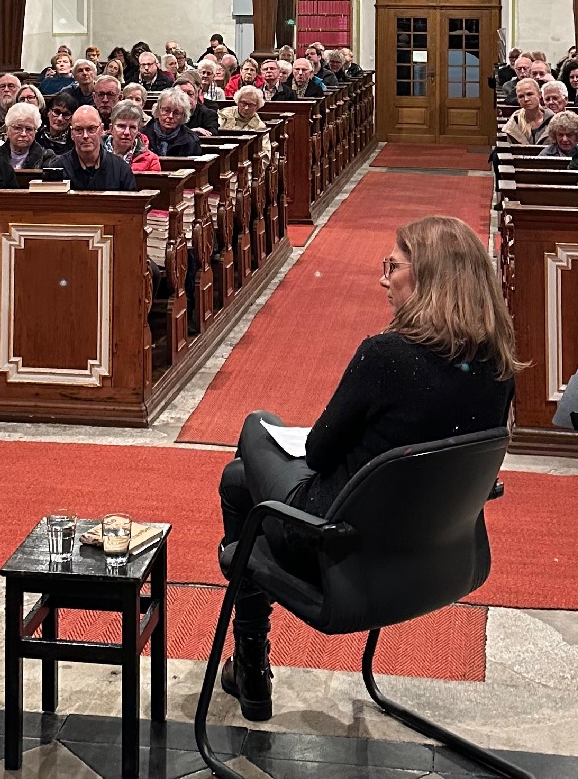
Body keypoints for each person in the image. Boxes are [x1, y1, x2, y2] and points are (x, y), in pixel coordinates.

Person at [214, 216, 516, 721]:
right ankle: (248, 659)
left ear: (427, 278)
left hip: (333, 548)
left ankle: (251, 656)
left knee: (254, 429)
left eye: (391, 267)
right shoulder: (497, 363)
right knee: (239, 482)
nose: (382, 279)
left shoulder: (386, 357)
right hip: (432, 553)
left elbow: (318, 454)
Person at [44, 106, 138, 190]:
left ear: (101, 130)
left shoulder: (121, 169)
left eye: (91, 129)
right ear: (72, 134)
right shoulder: (57, 168)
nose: (85, 136)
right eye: (79, 130)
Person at [144, 88, 202, 157]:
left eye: (176, 113)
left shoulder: (191, 140)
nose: (170, 116)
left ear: (183, 116)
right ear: (158, 110)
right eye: (166, 110)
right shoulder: (142, 136)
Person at [108, 99, 162, 172]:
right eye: (121, 126)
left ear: (138, 130)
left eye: (132, 127)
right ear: (111, 129)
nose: (127, 132)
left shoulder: (151, 160)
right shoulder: (94, 154)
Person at [0, 103, 50, 170]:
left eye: (29, 129)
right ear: (7, 130)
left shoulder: (47, 157)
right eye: (18, 128)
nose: (23, 134)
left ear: (35, 131)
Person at [501, 78, 550, 145]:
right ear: (517, 100)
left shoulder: (553, 120)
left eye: (530, 94)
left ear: (539, 95)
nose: (526, 99)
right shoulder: (514, 123)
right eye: (521, 96)